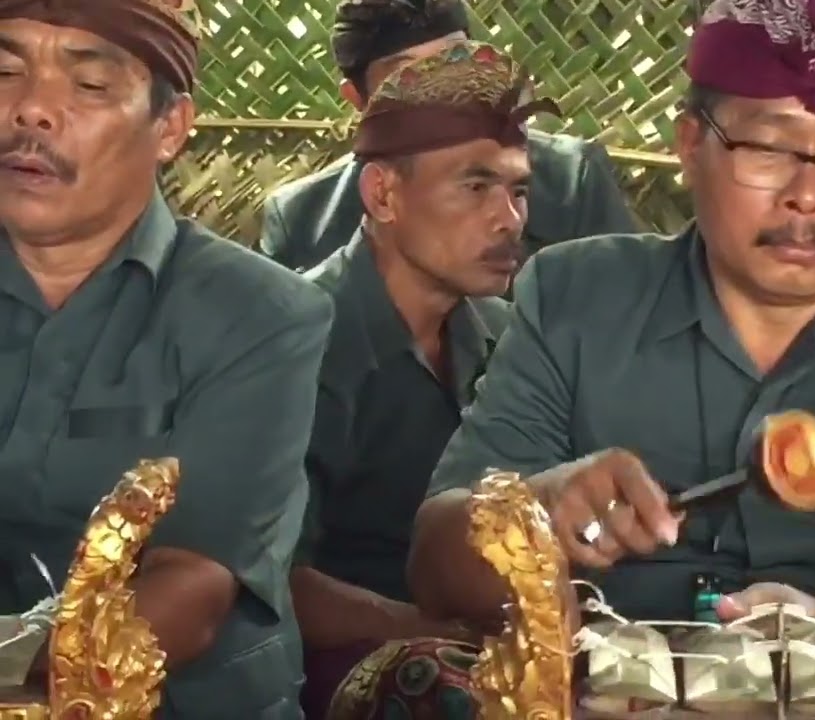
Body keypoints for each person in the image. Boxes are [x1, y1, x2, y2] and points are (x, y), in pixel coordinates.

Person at [413, 0, 815, 645]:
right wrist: (537, 514)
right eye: (768, 148)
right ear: (691, 145)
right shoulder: (578, 297)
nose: (807, 194)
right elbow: (434, 567)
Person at [0, 0, 333, 717]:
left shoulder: (264, 318)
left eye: (88, 86)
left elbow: (191, 588)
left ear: (171, 128)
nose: (31, 111)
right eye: (5, 70)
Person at [293, 41, 553, 717]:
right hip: (333, 669)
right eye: (475, 186)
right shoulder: (293, 336)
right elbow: (259, 577)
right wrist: (422, 631)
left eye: (518, 189)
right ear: (383, 194)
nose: (510, 218)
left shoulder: (507, 333)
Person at [257, 0, 638, 273]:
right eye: (409, 78)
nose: (445, 91)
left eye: (457, 60)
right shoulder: (304, 223)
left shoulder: (573, 182)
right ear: (358, 100)